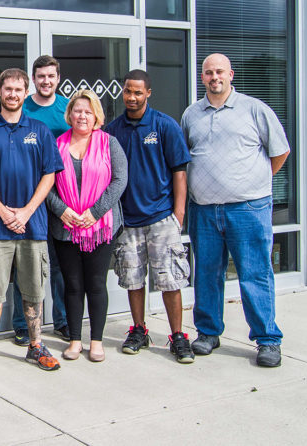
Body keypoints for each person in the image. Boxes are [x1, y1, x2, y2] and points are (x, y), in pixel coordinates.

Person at [181, 53, 290, 368]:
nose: (214, 77)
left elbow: (279, 152)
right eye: (208, 72)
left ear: (231, 74)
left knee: (254, 274)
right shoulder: (192, 115)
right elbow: (186, 158)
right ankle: (208, 332)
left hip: (248, 208)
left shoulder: (254, 109)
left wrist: (255, 181)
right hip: (204, 210)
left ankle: (267, 340)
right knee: (206, 273)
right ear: (202, 78)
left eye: (219, 72)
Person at [0, 68, 64, 374]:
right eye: (8, 89)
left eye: (18, 90)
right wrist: (4, 212)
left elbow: (50, 174)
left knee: (33, 290)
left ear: (25, 91)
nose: (13, 94)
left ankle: (36, 345)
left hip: (33, 225)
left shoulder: (40, 130)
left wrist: (27, 211)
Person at [103, 70, 194, 363]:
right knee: (133, 279)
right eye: (128, 91)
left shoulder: (164, 126)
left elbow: (180, 173)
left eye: (138, 92)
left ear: (148, 93)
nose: (132, 97)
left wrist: (178, 215)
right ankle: (139, 330)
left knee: (170, 280)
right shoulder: (113, 130)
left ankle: (178, 336)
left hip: (161, 217)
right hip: (128, 220)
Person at [46, 90, 127, 362]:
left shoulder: (109, 143)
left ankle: (97, 340)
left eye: (88, 111)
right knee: (72, 285)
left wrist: (94, 212)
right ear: (69, 114)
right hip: (65, 227)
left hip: (100, 227)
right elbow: (45, 185)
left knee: (95, 284)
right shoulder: (56, 145)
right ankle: (74, 340)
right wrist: (63, 211)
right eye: (78, 110)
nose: (82, 115)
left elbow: (119, 181)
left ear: (97, 116)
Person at [15, 55, 71, 344]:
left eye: (51, 76)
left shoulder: (67, 109)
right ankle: (23, 326)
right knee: (25, 263)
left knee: (59, 264)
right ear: (33, 80)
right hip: (27, 195)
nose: (46, 81)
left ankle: (61, 320)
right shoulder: (23, 108)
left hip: (61, 197)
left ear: (58, 78)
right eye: (41, 76)